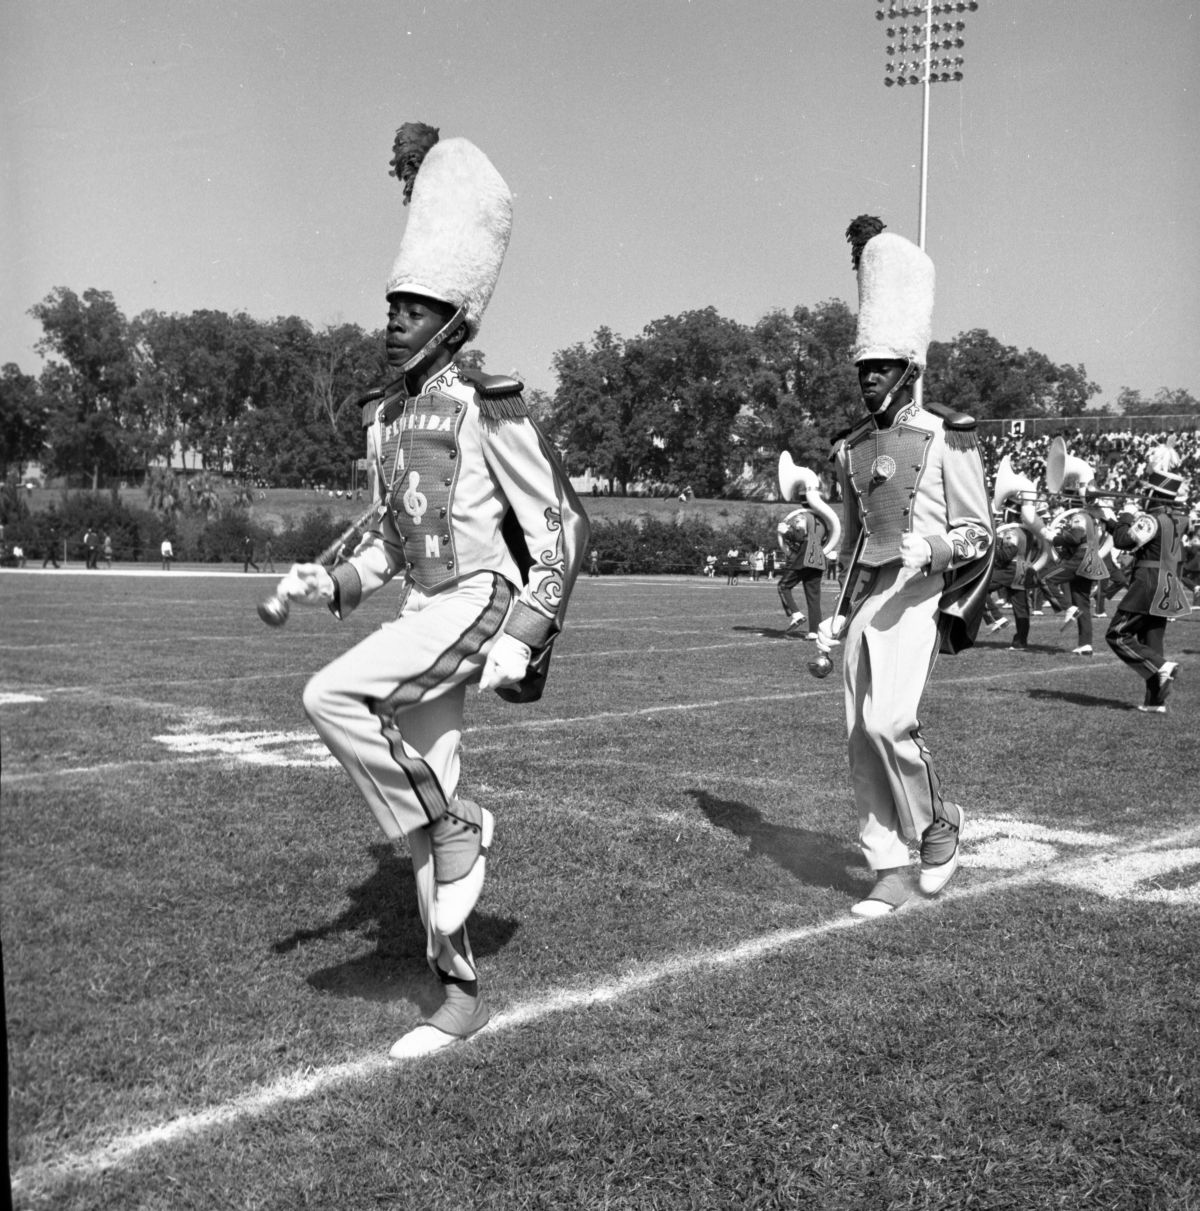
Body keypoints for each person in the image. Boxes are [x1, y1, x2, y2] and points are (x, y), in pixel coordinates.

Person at [272, 123, 589, 1059]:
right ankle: (458, 992)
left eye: (413, 307)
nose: (393, 319)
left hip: (480, 601)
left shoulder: (489, 405)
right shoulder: (384, 420)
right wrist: (326, 578)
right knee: (423, 824)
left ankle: (462, 826)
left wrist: (526, 631)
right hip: (427, 610)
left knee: (332, 695)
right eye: (392, 304)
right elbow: (385, 542)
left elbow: (563, 527)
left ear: (454, 319)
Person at [816, 216, 993, 918]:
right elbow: (858, 539)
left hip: (919, 595)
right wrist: (833, 619)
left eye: (881, 369)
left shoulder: (947, 437)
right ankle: (886, 864)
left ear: (910, 369)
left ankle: (937, 823)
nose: (868, 382)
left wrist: (937, 549)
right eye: (862, 370)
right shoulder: (851, 448)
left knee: (892, 722)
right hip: (868, 600)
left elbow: (981, 533)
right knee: (860, 736)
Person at [1104, 449, 1189, 713]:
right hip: (1165, 583)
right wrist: (1109, 520)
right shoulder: (1175, 518)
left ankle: (1163, 667)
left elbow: (1123, 541)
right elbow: (1132, 537)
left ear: (1154, 494)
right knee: (1152, 639)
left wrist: (1127, 516)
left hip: (1148, 581)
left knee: (1117, 634)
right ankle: (1155, 702)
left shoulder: (1152, 519)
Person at [776, 461, 840, 640]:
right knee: (813, 597)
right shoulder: (824, 520)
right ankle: (814, 631)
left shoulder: (803, 517)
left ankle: (795, 615)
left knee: (783, 586)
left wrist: (786, 532)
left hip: (804, 556)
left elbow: (801, 537)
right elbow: (821, 539)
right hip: (818, 558)